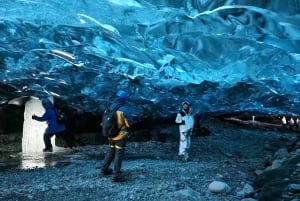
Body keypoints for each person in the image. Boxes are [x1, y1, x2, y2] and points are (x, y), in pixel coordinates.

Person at [102, 90, 132, 182]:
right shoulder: (123, 109)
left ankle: (104, 169)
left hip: (110, 135)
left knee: (110, 151)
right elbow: (129, 123)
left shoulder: (109, 107)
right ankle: (116, 175)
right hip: (120, 136)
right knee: (118, 154)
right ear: (124, 99)